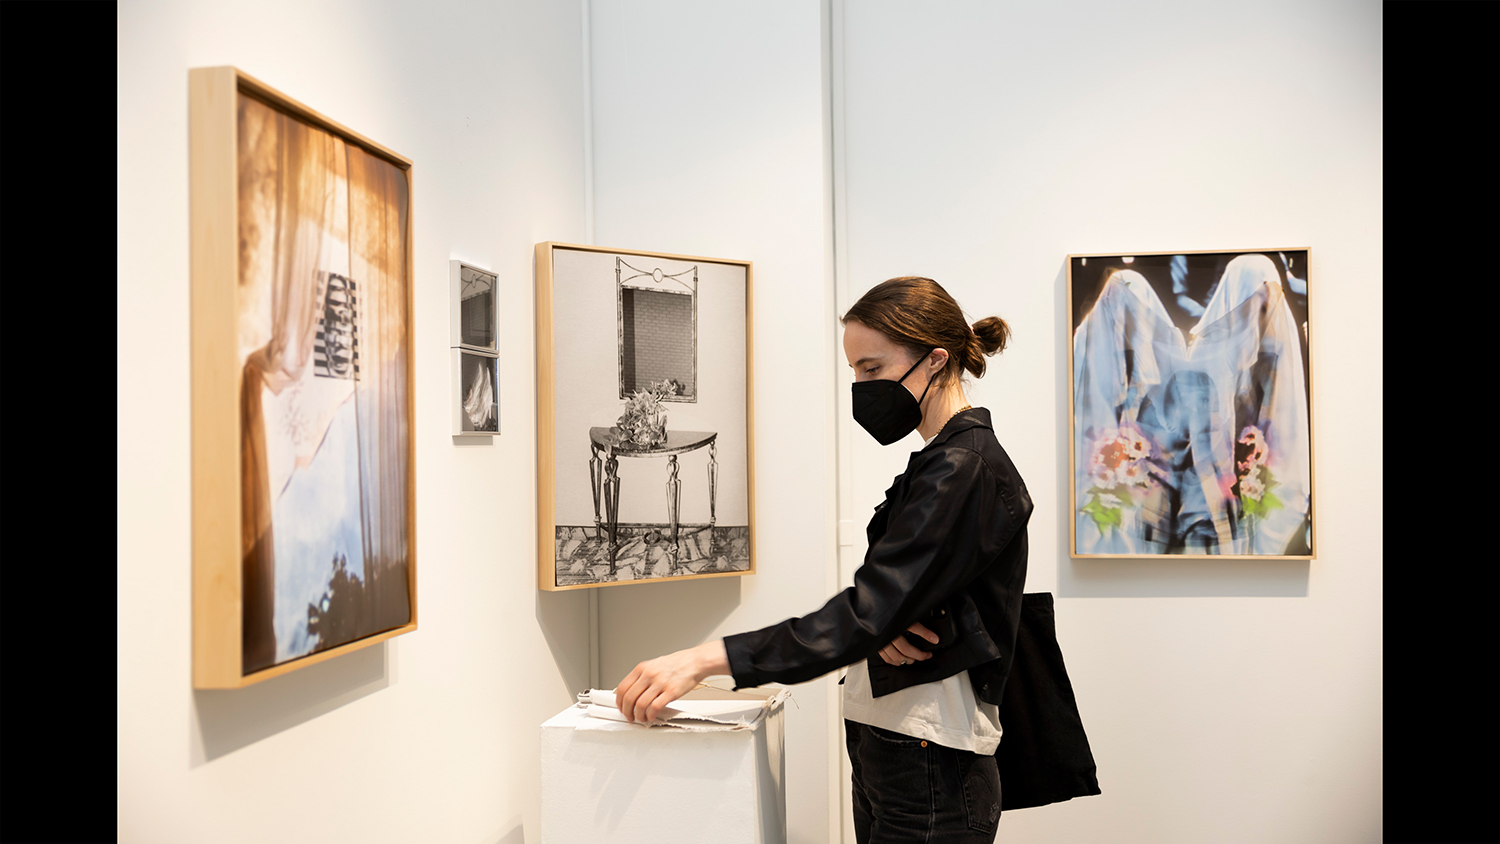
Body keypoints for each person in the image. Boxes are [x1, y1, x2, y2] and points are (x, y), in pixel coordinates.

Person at [614, 276, 1032, 843]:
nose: (861, 386)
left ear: (935, 361)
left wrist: (702, 660)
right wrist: (886, 621)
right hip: (892, 739)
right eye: (855, 370)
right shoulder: (939, 461)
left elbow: (870, 608)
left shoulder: (965, 468)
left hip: (931, 753)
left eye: (872, 369)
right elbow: (901, 596)